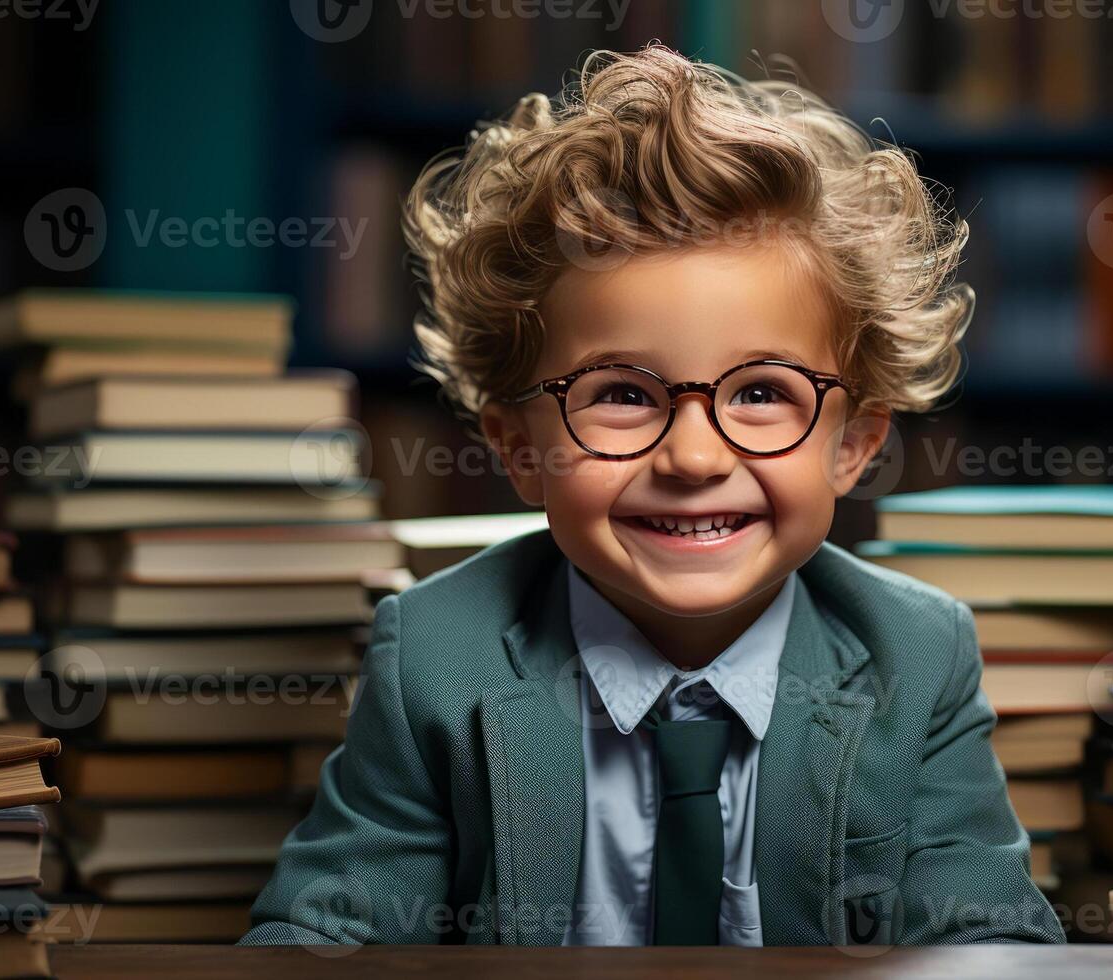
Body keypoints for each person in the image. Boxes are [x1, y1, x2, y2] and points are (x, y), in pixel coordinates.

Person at [241, 43, 1063, 947]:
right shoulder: (436, 659)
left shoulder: (915, 653)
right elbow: (324, 939)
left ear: (854, 444)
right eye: (625, 395)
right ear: (519, 447)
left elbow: (987, 938)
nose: (694, 456)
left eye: (761, 393)